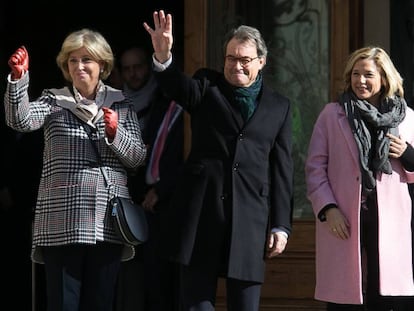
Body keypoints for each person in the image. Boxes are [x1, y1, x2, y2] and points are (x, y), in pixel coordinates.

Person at [143, 10, 294, 311]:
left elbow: (282, 169)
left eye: (244, 60)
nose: (236, 65)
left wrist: (280, 225)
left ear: (261, 62)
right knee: (196, 305)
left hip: (250, 218)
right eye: (230, 58)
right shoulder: (206, 86)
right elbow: (177, 86)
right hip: (201, 214)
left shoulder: (279, 106)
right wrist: (163, 56)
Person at [4, 28, 147, 311]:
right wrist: (18, 81)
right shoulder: (53, 100)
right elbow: (19, 121)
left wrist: (116, 133)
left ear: (103, 65)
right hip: (61, 222)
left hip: (107, 222)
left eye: (86, 60)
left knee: (100, 304)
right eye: (72, 61)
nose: (79, 66)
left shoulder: (121, 103)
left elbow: (138, 158)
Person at [305, 46, 414, 311]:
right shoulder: (332, 114)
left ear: (385, 79)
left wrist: (408, 153)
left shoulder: (407, 117)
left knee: (386, 297)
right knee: (345, 299)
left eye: (368, 74)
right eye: (356, 73)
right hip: (344, 219)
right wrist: (328, 209)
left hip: (390, 223)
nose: (360, 80)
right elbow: (315, 168)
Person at [115, 45, 184, 311]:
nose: (133, 74)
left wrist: (163, 187)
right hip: (123, 206)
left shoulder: (166, 101)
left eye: (139, 66)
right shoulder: (116, 104)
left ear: (149, 66)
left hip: (158, 206)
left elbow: (181, 151)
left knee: (158, 285)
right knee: (128, 285)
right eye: (127, 69)